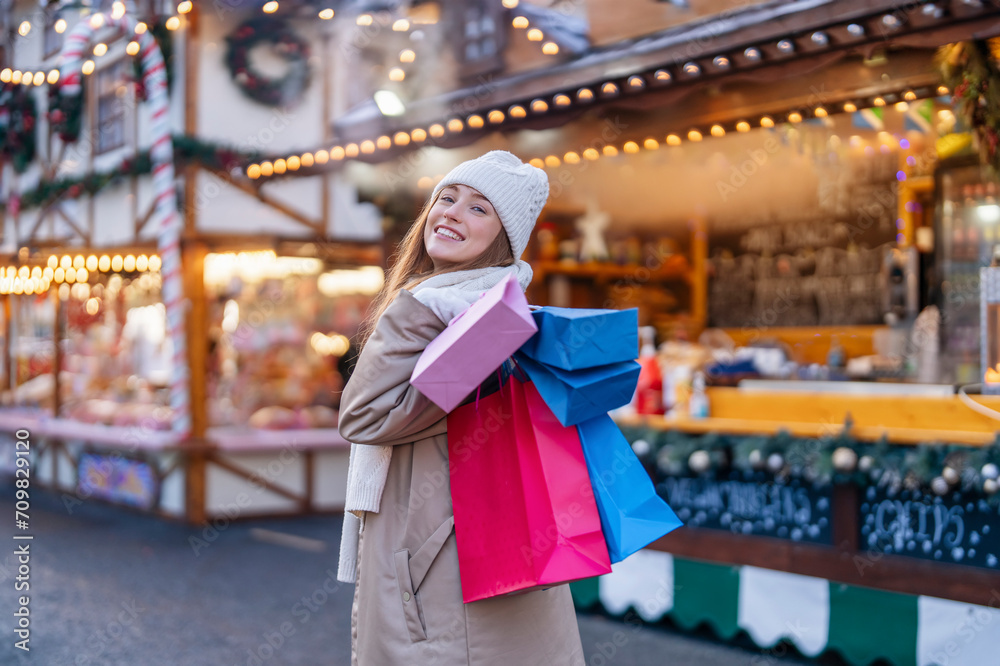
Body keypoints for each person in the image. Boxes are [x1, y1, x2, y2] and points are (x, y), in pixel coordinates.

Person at [336, 151, 585, 665]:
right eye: (446, 199)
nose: (451, 212)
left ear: (503, 237)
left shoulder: (426, 307)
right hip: (507, 530)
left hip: (433, 542)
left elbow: (362, 417)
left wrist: (463, 361)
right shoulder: (512, 304)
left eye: (478, 208)